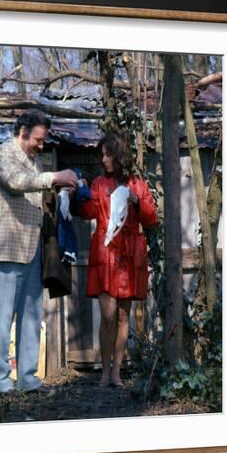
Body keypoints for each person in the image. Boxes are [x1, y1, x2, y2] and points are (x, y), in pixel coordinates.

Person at [0, 109, 78, 394]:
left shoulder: (33, 162)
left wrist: (63, 191)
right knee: (2, 319)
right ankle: (1, 381)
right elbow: (16, 183)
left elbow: (37, 194)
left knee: (30, 316)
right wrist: (53, 177)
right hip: (6, 249)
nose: (41, 145)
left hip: (32, 250)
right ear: (23, 132)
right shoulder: (2, 154)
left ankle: (28, 379)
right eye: (38, 140)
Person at [77, 131, 157, 388]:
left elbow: (151, 219)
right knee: (108, 315)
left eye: (108, 154)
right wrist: (77, 195)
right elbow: (88, 211)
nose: (103, 159)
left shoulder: (138, 185)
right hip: (105, 253)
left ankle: (116, 374)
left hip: (129, 256)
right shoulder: (99, 183)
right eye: (102, 155)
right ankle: (104, 371)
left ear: (119, 155)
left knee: (124, 316)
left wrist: (135, 201)